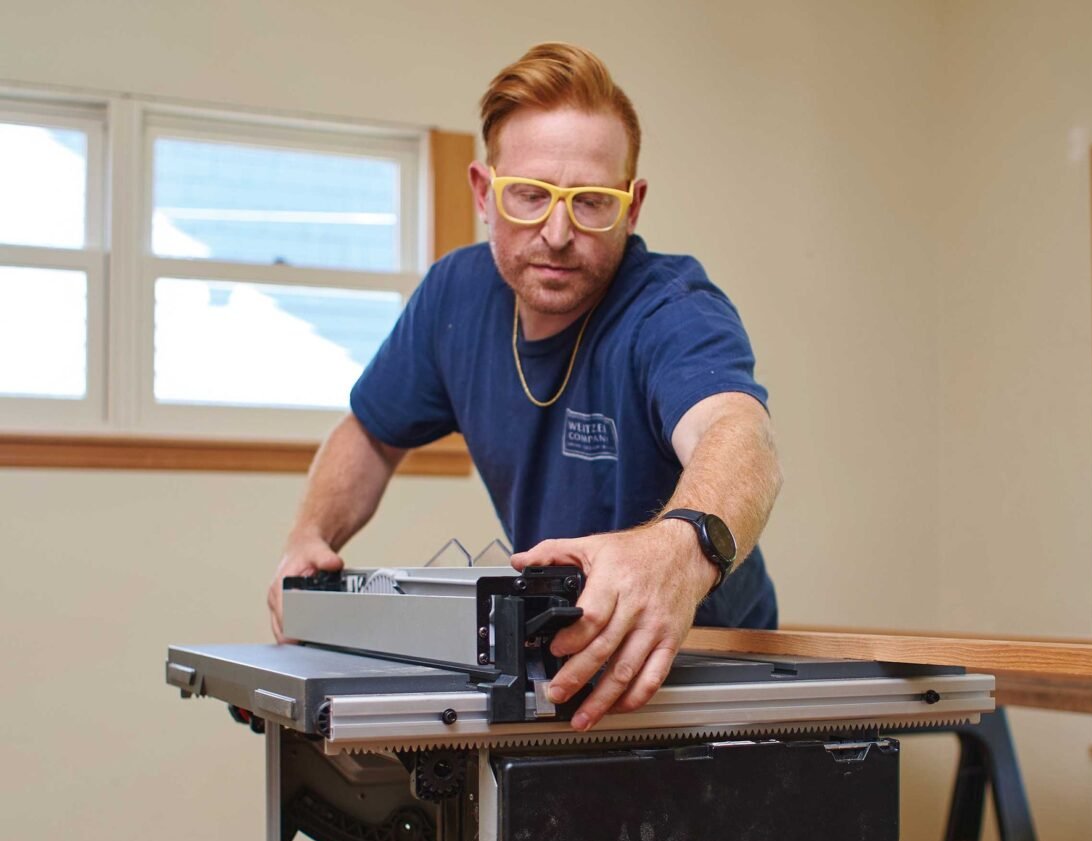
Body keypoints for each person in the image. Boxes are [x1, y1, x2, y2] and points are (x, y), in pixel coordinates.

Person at [268, 41, 781, 734]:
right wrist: (309, 535)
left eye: (593, 203)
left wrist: (677, 552)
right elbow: (369, 433)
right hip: (561, 664)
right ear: (485, 193)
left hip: (707, 667)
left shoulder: (672, 309)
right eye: (531, 197)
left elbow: (739, 435)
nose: (559, 233)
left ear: (632, 207)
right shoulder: (456, 293)